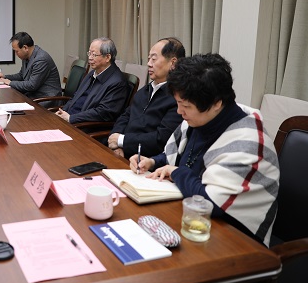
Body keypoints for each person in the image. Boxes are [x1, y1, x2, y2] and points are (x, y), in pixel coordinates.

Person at [130, 53, 279, 246]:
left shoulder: (248, 143)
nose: (179, 112)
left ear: (217, 103)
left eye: (185, 106)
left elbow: (211, 203)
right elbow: (174, 156)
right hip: (191, 218)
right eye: (178, 103)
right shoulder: (201, 118)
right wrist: (152, 161)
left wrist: (176, 172)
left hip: (234, 238)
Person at [108, 37, 185, 158]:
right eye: (149, 59)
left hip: (146, 161)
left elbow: (161, 139)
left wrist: (122, 141)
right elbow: (125, 116)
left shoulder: (178, 97)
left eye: (154, 59)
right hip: (120, 151)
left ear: (173, 63)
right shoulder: (146, 90)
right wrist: (116, 143)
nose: (149, 64)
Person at [56, 37, 128, 124]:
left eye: (94, 54)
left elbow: (103, 112)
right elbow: (75, 97)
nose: (90, 58)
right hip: (69, 119)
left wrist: (71, 118)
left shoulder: (118, 82)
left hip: (84, 126)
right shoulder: (92, 73)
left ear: (107, 57)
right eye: (89, 53)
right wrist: (62, 112)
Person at [0, 32, 62, 102]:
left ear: (25, 48)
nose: (16, 54)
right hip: (34, 95)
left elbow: (32, 85)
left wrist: (10, 83)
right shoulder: (26, 56)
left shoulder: (41, 59)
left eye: (16, 51)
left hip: (47, 99)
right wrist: (5, 77)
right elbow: (21, 75)